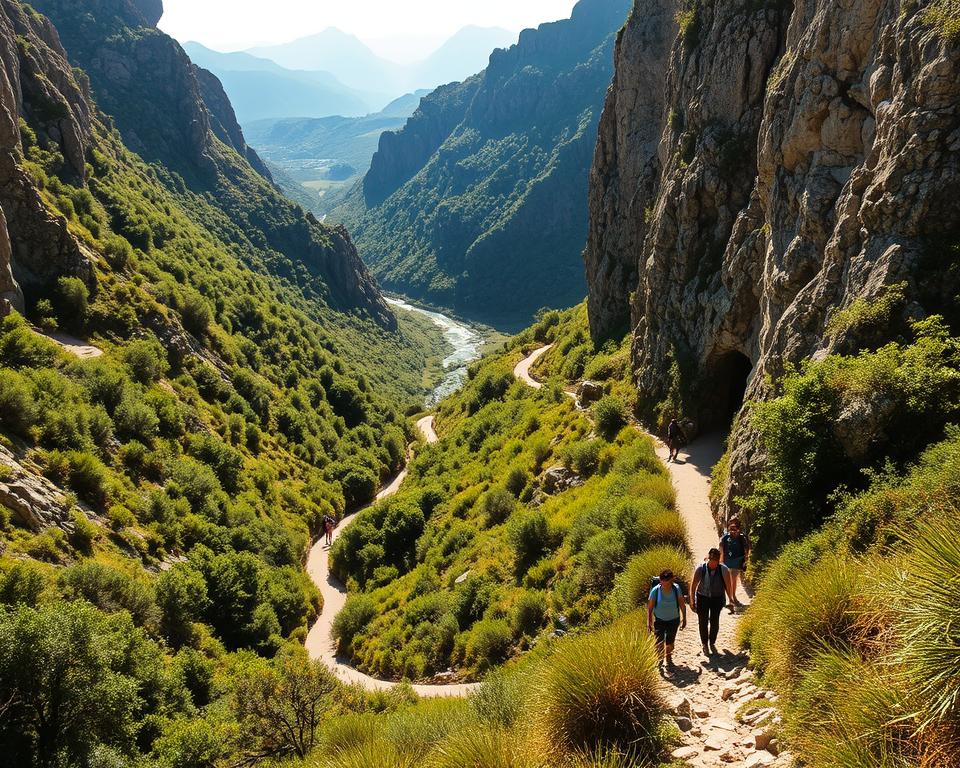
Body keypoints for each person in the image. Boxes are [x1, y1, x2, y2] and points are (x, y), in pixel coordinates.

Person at [690, 548, 734, 657]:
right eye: (711, 559)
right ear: (709, 558)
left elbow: (728, 587)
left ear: (719, 560)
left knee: (715, 621)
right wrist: (692, 600)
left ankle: (712, 641)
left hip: (717, 598)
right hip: (702, 597)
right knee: (702, 621)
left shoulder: (724, 570)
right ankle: (704, 643)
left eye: (715, 559)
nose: (713, 561)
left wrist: (731, 600)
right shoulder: (701, 569)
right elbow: (693, 586)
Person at [647, 569, 687, 671]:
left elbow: (682, 604)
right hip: (660, 620)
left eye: (667, 581)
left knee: (670, 642)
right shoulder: (655, 590)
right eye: (663, 580)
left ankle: (668, 658)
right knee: (659, 642)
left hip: (674, 620)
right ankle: (659, 660)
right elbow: (650, 607)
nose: (664, 583)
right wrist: (649, 622)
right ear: (660, 580)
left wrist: (684, 618)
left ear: (671, 580)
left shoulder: (676, 589)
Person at [720, 517, 750, 609]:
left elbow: (746, 549)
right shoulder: (725, 537)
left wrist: (745, 560)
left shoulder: (742, 537)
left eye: (735, 529)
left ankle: (732, 598)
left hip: (737, 561)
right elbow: (721, 548)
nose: (733, 531)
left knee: (732, 580)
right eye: (731, 529)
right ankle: (731, 599)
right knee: (729, 581)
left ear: (738, 529)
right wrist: (721, 560)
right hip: (727, 562)